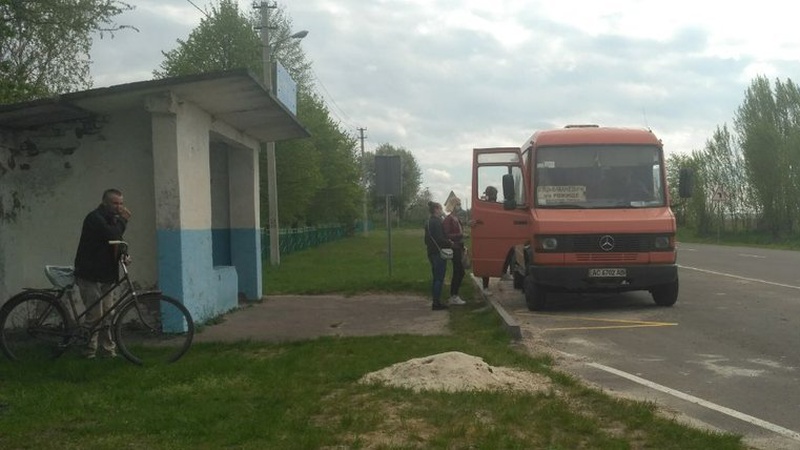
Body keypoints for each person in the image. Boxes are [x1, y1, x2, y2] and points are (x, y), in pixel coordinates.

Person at [74, 188, 131, 358]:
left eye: (121, 203)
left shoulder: (113, 219)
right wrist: (124, 221)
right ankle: (88, 351)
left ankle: (108, 350)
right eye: (115, 203)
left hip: (107, 273)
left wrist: (124, 254)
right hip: (89, 273)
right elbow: (111, 235)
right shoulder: (95, 218)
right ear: (105, 202)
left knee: (108, 313)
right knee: (95, 314)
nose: (119, 207)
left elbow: (115, 241)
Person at [424, 201, 452, 311]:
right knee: (439, 279)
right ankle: (436, 303)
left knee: (436, 277)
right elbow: (440, 239)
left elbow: (426, 240)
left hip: (431, 252)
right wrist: (450, 243)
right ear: (436, 209)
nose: (442, 211)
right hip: (438, 253)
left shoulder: (428, 222)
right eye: (440, 208)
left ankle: (436, 300)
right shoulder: (437, 222)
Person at [443, 196, 467, 305]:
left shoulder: (456, 218)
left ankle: (454, 295)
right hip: (454, 247)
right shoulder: (448, 219)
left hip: (459, 246)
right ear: (453, 205)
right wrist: (460, 235)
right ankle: (454, 296)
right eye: (458, 204)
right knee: (459, 271)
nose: (459, 206)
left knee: (459, 271)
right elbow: (447, 234)